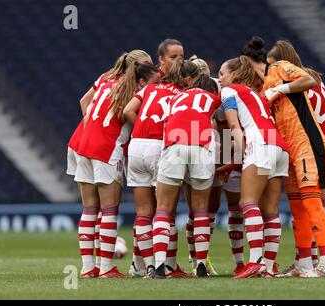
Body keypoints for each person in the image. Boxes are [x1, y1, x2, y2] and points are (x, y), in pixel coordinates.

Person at [242, 37, 325, 277]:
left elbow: (310, 80)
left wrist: (280, 88)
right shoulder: (263, 88)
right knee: (297, 208)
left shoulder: (279, 67)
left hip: (306, 145)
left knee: (311, 202)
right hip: (290, 150)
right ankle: (304, 264)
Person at [69, 50, 152, 278]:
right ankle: (106, 268)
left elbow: (83, 101)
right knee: (109, 211)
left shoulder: (106, 78)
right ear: (142, 69)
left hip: (83, 145)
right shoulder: (138, 90)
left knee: (88, 210)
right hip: (106, 149)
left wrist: (93, 126)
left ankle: (88, 269)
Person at [219, 56, 289, 278]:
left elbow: (233, 125)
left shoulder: (230, 91)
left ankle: (255, 261)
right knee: (270, 210)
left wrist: (238, 158)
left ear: (235, 75)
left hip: (260, 144)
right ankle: (268, 266)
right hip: (279, 146)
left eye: (222, 74)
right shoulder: (255, 94)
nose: (220, 79)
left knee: (247, 203)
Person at [152, 62, 221, 278]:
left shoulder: (175, 97)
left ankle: (160, 266)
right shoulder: (214, 98)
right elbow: (217, 126)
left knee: (163, 208)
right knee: (200, 209)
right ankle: (200, 265)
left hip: (175, 142)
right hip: (201, 143)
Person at [123, 60, 188, 279]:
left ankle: (149, 267)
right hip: (161, 148)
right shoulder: (181, 93)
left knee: (142, 213)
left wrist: (141, 126)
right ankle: (167, 266)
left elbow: (128, 110)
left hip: (136, 145)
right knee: (165, 210)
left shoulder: (149, 88)